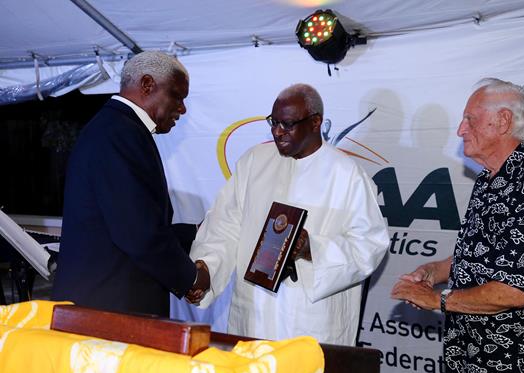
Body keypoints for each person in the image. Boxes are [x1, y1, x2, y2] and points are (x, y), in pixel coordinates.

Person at [391, 78, 524, 373]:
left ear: (503, 121)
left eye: (470, 119)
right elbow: (481, 258)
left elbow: (514, 291)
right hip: (470, 367)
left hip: (515, 371)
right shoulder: (489, 179)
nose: (460, 130)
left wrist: (437, 300)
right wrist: (432, 273)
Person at [189, 83, 389, 345]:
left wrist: (311, 249)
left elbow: (370, 245)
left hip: (310, 320)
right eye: (273, 122)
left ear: (316, 122)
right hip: (253, 315)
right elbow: (225, 225)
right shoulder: (254, 162)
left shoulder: (347, 174)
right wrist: (206, 269)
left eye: (288, 124)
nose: (277, 132)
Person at [52, 51, 209, 317]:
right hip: (109, 310)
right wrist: (191, 279)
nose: (182, 108)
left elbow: (129, 222)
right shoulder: (119, 133)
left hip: (106, 304)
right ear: (147, 85)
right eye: (177, 96)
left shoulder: (116, 128)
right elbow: (139, 233)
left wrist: (196, 231)